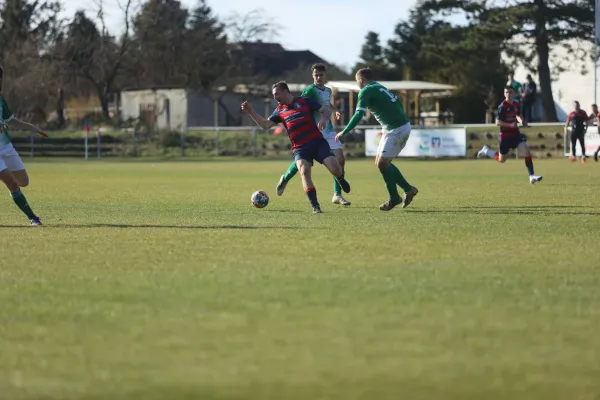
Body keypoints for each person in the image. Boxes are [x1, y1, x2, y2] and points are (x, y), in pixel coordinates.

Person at [241, 81, 350, 213]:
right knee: (304, 173)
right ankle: (315, 206)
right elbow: (265, 125)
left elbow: (325, 110)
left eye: (277, 94)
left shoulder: (304, 101)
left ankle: (340, 179)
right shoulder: (280, 110)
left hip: (317, 142)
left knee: (335, 168)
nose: (275, 97)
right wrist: (251, 111)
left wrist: (323, 119)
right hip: (300, 148)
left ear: (286, 91)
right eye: (273, 95)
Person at [334, 67, 418, 211]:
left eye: (357, 81)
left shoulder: (365, 91)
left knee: (383, 164)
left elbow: (358, 115)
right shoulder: (378, 86)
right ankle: (407, 189)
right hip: (394, 126)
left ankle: (394, 198)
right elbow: (397, 103)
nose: (357, 85)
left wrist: (345, 131)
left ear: (360, 79)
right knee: (381, 163)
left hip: (396, 128)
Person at [276, 64, 351, 206]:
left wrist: (334, 110)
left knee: (340, 159)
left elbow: (327, 105)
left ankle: (337, 195)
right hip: (312, 132)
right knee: (304, 163)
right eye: (316, 75)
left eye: (321, 75)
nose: (318, 77)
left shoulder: (328, 90)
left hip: (327, 130)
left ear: (325, 75)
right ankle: (285, 178)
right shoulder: (309, 91)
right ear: (312, 76)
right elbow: (301, 106)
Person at [0, 65, 46, 226]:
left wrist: (32, 127)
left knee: (23, 181)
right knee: (10, 182)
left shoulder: (0, 100)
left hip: (5, 147)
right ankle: (33, 218)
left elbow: (10, 121)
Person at [477, 86, 543, 184]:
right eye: (506, 92)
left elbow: (518, 115)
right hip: (505, 136)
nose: (508, 94)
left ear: (514, 94)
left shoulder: (516, 104)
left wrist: (522, 121)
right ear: (504, 94)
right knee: (502, 160)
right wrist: (510, 124)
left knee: (526, 151)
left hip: (516, 134)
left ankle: (532, 176)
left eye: (510, 92)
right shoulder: (502, 107)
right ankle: (486, 151)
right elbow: (498, 122)